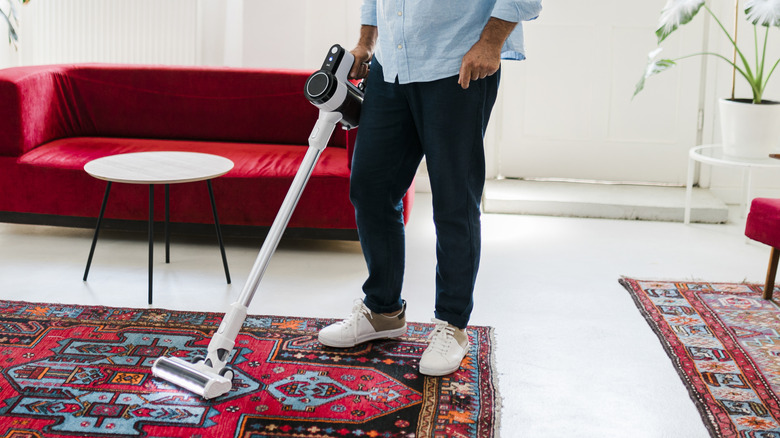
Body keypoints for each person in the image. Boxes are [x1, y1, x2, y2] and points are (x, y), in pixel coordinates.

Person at [318, 0, 543, 376]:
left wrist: (491, 43)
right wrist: (366, 42)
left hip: (457, 65)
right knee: (371, 188)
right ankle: (382, 310)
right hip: (391, 67)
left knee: (454, 201)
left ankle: (452, 325)